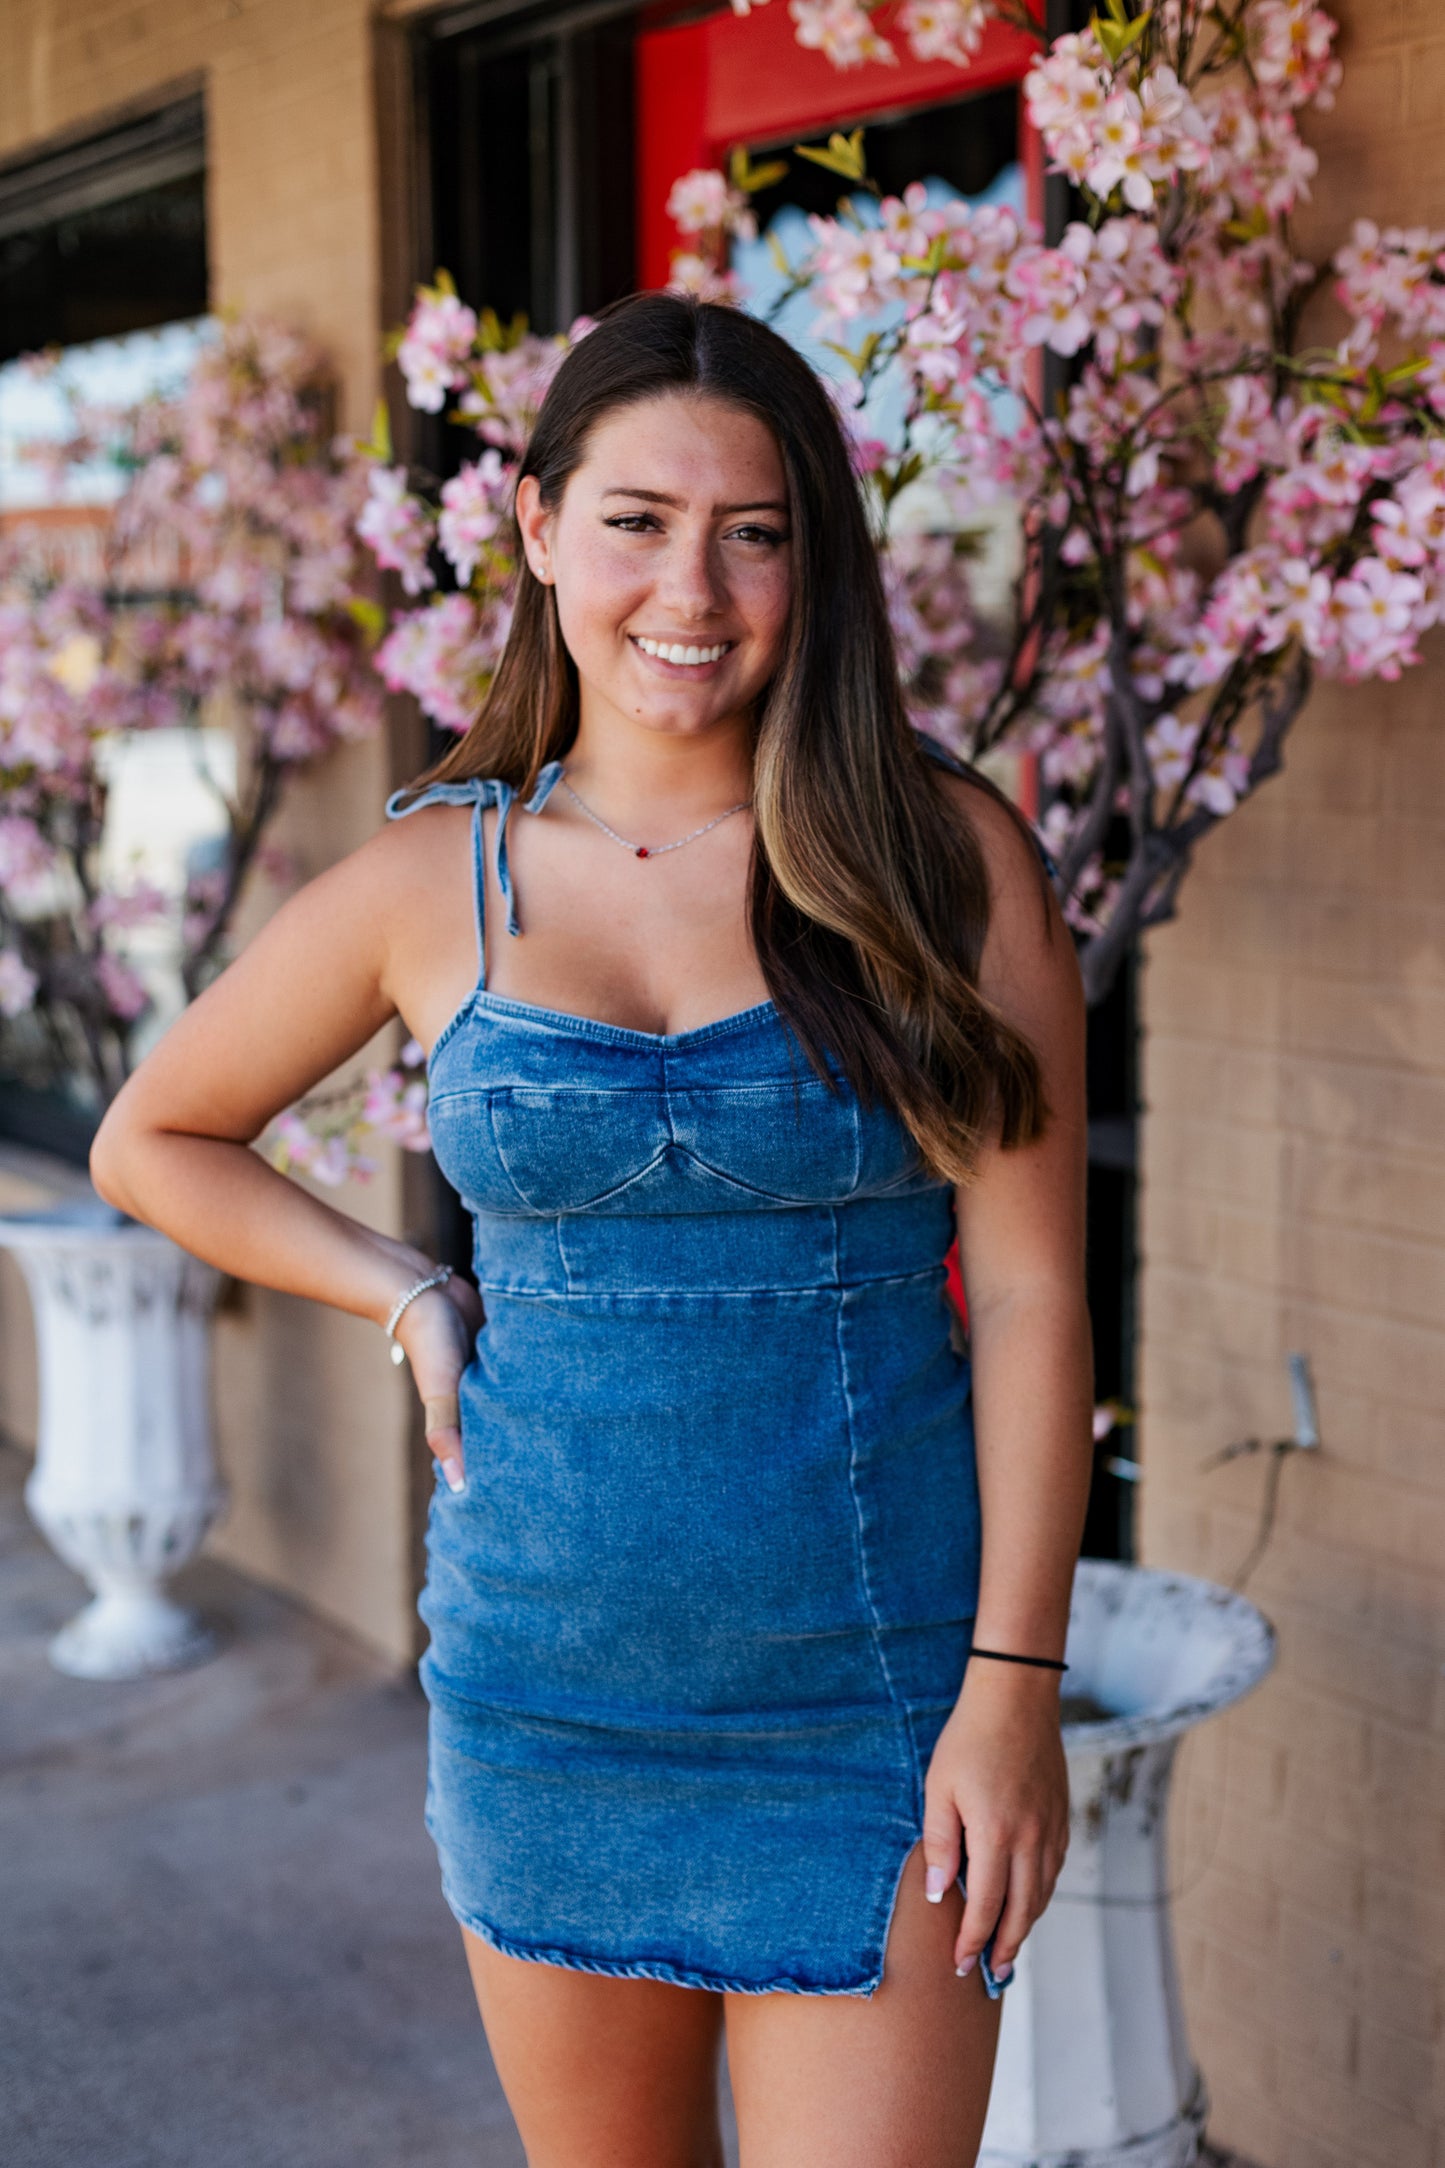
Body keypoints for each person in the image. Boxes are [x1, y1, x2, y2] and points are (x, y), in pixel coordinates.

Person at [91, 291, 1093, 2168]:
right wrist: (401, 1290)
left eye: (754, 531)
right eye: (635, 520)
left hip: (875, 1704)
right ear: (540, 530)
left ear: (817, 561)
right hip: (545, 1699)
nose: (689, 589)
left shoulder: (944, 862)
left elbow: (1034, 1291)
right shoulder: (426, 878)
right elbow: (158, 1136)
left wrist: (1010, 1699)